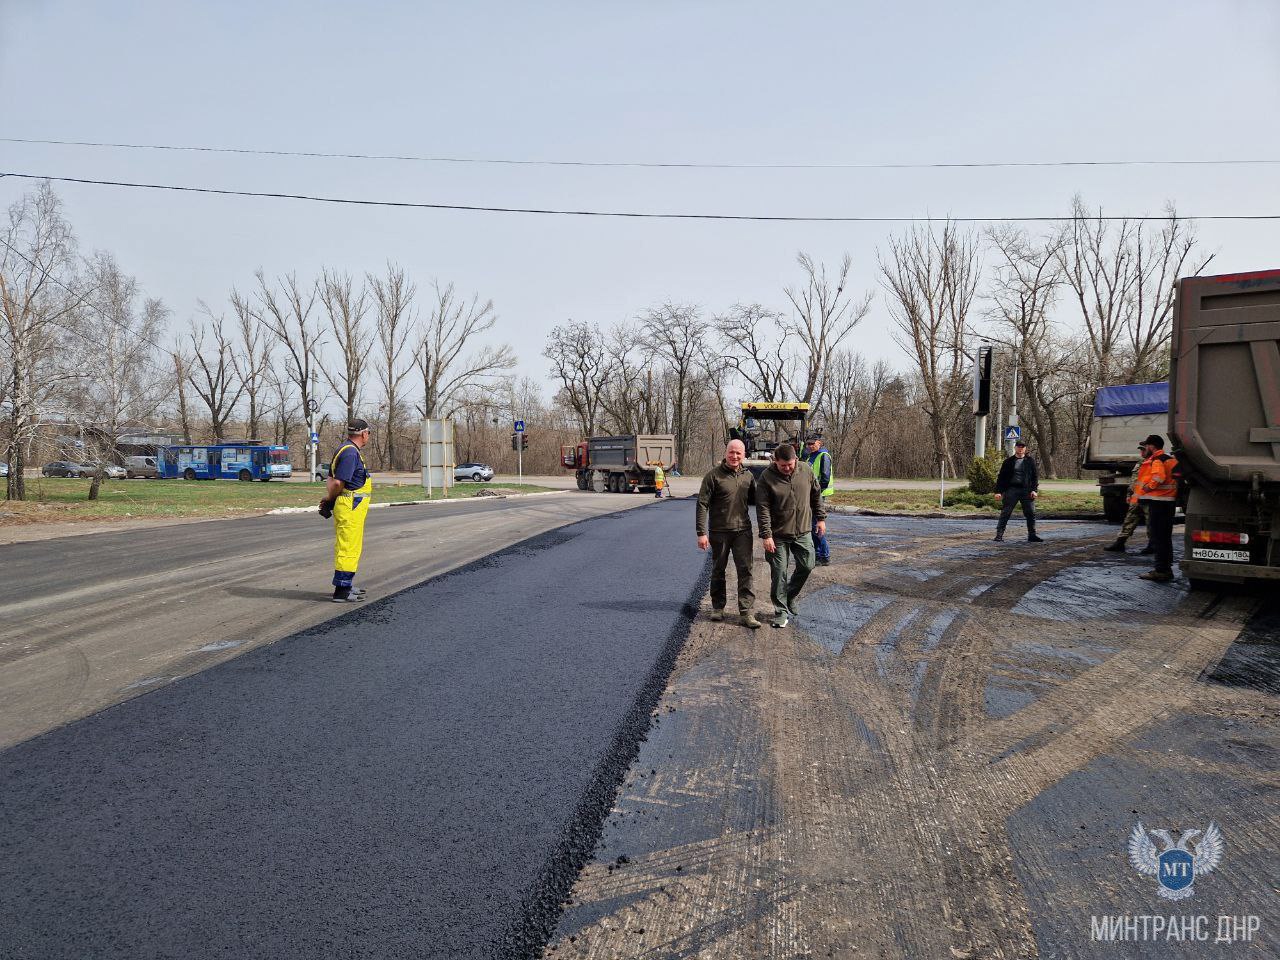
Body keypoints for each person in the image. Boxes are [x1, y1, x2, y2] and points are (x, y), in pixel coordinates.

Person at [756, 443, 826, 628]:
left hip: (802, 531)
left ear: (796, 459)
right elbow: (762, 508)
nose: (787, 468)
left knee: (808, 564)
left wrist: (821, 518)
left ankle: (789, 596)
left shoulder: (806, 470)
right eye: (783, 465)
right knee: (779, 572)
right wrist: (766, 535)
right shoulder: (767, 477)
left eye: (790, 464)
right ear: (775, 461)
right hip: (777, 534)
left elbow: (816, 495)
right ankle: (780, 611)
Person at [696, 439, 761, 629]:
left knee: (746, 571)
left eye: (738, 453)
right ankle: (717, 608)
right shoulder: (713, 476)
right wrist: (701, 532)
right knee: (718, 570)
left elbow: (758, 502)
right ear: (726, 453)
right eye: (731, 452)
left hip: (742, 532)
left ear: (744, 455)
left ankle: (746, 613)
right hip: (719, 532)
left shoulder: (748, 477)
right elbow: (702, 504)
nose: (734, 456)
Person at [322, 418, 374, 602]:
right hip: (350, 507)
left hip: (351, 507)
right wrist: (330, 499)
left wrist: (329, 499)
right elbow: (337, 482)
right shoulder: (351, 453)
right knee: (348, 548)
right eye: (369, 433)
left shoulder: (344, 449)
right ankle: (341, 590)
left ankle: (347, 584)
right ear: (363, 433)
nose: (368, 436)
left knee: (348, 546)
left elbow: (330, 479)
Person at [1133, 434, 1178, 582]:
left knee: (1158, 537)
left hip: (1159, 502)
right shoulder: (1170, 459)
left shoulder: (1158, 460)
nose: (1145, 448)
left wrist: (1147, 488)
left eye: (1146, 446)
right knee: (1165, 537)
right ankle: (1166, 567)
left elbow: (1158, 477)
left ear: (1152, 446)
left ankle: (1161, 571)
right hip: (1169, 501)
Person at [1103, 443, 1154, 554]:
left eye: (1143, 450)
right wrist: (1129, 495)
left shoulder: (1155, 462)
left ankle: (1152, 545)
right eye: (1141, 450)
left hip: (1148, 498)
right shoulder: (1141, 463)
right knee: (1129, 520)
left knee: (1151, 522)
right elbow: (1134, 481)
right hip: (1137, 498)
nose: (1141, 452)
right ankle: (1120, 543)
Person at [993, 440, 1043, 543]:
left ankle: (1032, 535)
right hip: (1011, 490)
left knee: (1031, 513)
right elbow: (1001, 478)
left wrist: (1034, 490)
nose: (1020, 449)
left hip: (1027, 490)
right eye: (1018, 447)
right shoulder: (1008, 462)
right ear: (1015, 448)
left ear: (1025, 449)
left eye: (1022, 447)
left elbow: (1035, 477)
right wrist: (998, 492)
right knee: (1005, 513)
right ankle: (999, 535)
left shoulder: (1030, 461)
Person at [803, 434, 835, 566]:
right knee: (812, 527)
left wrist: (817, 493)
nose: (810, 446)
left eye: (813, 443)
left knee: (816, 526)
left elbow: (825, 477)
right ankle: (816, 554)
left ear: (819, 443)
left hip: (819, 495)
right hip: (812, 494)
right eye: (808, 444)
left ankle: (824, 555)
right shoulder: (810, 456)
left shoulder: (823, 456)